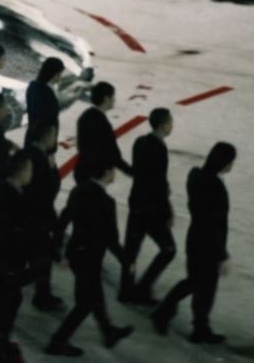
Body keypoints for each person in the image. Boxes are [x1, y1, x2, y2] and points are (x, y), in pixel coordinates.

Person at [46, 161, 135, 357]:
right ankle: (57, 342)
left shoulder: (79, 190)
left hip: (76, 253)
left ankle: (108, 332)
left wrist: (57, 247)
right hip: (91, 257)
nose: (114, 174)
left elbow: (64, 218)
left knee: (94, 295)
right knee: (85, 303)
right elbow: (111, 239)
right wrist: (126, 261)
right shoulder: (107, 202)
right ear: (106, 172)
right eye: (113, 170)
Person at [153, 142, 237, 345]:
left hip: (195, 238)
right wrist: (222, 254)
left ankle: (199, 327)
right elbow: (213, 224)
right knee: (200, 285)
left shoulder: (196, 176)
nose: (232, 165)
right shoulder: (215, 188)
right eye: (230, 161)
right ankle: (168, 314)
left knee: (198, 284)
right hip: (208, 244)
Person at [0, 153, 39, 363]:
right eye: (30, 170)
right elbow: (13, 229)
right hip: (7, 258)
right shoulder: (10, 195)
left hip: (2, 256)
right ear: (21, 171)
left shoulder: (4, 189)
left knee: (8, 302)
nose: (32, 174)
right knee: (6, 305)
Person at [121, 108, 176, 306]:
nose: (172, 125)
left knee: (131, 251)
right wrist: (168, 211)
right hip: (152, 209)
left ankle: (126, 290)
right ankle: (143, 289)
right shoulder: (160, 148)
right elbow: (158, 183)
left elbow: (139, 172)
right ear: (163, 125)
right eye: (170, 122)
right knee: (168, 249)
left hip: (136, 203)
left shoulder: (140, 142)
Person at [22, 121, 67, 312]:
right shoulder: (40, 160)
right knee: (40, 260)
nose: (55, 139)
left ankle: (42, 294)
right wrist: (53, 170)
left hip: (31, 215)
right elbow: (48, 190)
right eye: (53, 135)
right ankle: (40, 295)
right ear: (46, 136)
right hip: (37, 217)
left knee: (39, 259)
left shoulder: (30, 154)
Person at [76, 82, 133, 180]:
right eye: (113, 97)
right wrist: (132, 172)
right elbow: (113, 154)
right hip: (95, 173)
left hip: (82, 169)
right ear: (106, 99)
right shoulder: (102, 123)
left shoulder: (85, 116)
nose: (114, 100)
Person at [26, 58, 64, 133]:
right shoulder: (46, 92)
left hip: (35, 133)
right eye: (60, 74)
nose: (61, 77)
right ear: (55, 74)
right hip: (43, 135)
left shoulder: (33, 86)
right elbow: (46, 118)